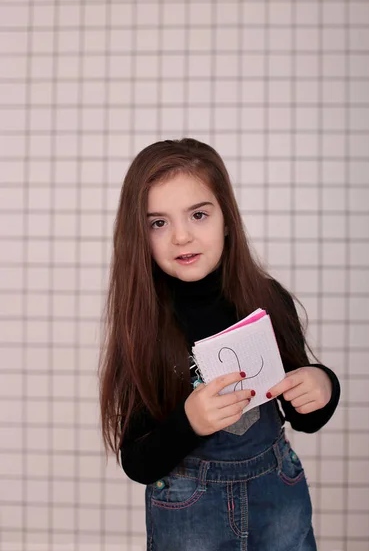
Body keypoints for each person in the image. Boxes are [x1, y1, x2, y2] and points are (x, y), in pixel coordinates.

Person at [99, 138, 340, 551]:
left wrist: (323, 384)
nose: (181, 236)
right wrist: (188, 423)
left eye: (198, 214)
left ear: (226, 218)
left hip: (278, 498)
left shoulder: (267, 299)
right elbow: (138, 462)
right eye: (158, 222)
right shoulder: (144, 324)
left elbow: (304, 416)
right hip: (190, 512)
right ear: (139, 234)